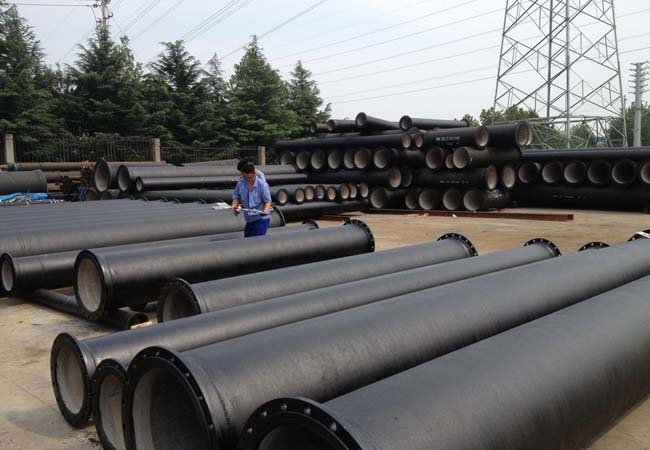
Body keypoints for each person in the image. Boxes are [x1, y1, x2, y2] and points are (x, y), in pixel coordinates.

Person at [232, 163, 272, 237]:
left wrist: (265, 211)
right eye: (245, 177)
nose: (248, 180)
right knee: (248, 240)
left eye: (250, 178)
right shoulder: (241, 183)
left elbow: (268, 201)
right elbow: (236, 197)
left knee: (257, 240)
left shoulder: (262, 185)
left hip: (261, 219)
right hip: (249, 219)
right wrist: (234, 207)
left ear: (254, 174)